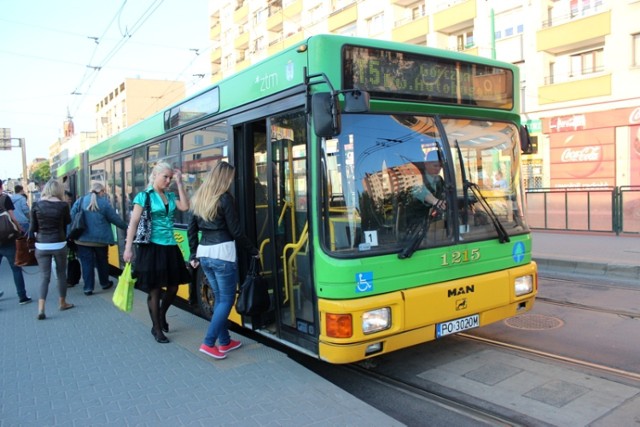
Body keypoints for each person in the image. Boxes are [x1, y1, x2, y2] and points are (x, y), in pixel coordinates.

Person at [187, 161, 259, 360]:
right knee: (226, 300)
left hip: (205, 254)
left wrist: (193, 254)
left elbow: (191, 230)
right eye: (231, 177)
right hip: (222, 254)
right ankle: (209, 343)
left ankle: (225, 341)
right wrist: (253, 250)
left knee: (219, 298)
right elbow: (236, 231)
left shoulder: (199, 198)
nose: (232, 180)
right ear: (224, 178)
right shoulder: (225, 199)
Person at [123, 162, 191, 343]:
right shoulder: (144, 196)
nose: (168, 181)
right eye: (165, 177)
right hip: (151, 246)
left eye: (170, 177)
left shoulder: (169, 194)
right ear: (155, 175)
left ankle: (160, 314)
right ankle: (157, 328)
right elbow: (134, 223)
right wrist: (128, 248)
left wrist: (179, 183)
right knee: (155, 289)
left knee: (174, 286)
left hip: (170, 245)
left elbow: (185, 206)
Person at [70, 183, 128, 296]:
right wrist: (127, 227)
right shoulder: (104, 203)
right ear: (100, 191)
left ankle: (88, 288)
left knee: (87, 263)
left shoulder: (80, 201)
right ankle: (105, 283)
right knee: (102, 262)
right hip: (101, 240)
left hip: (83, 239)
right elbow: (114, 218)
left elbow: (72, 215)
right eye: (103, 192)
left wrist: (70, 235)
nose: (104, 194)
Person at [30, 179, 74, 319]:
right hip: (59, 243)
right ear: (58, 190)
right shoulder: (63, 205)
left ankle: (41, 309)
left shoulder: (36, 205)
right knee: (61, 274)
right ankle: (62, 303)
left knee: (44, 277)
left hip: (41, 244)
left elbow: (33, 228)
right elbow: (68, 222)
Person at [0, 179, 31, 305]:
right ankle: (22, 296)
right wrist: (20, 229)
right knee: (16, 268)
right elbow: (13, 217)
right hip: (8, 238)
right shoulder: (5, 199)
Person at [412, 150, 447, 215]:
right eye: (435, 165)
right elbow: (419, 190)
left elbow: (446, 194)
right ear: (426, 164)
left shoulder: (440, 180)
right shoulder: (418, 177)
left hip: (434, 219)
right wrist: (435, 201)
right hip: (417, 218)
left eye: (440, 166)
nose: (438, 169)